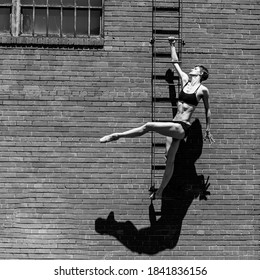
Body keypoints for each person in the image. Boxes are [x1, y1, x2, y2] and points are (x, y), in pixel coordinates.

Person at [100, 37, 214, 199]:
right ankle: (160, 193)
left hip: (182, 127)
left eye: (195, 68)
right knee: (169, 159)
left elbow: (208, 110)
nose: (192, 69)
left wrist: (208, 129)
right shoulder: (184, 81)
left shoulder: (203, 90)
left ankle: (117, 135)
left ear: (201, 73)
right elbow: (175, 63)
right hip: (174, 125)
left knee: (148, 126)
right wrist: (172, 44)